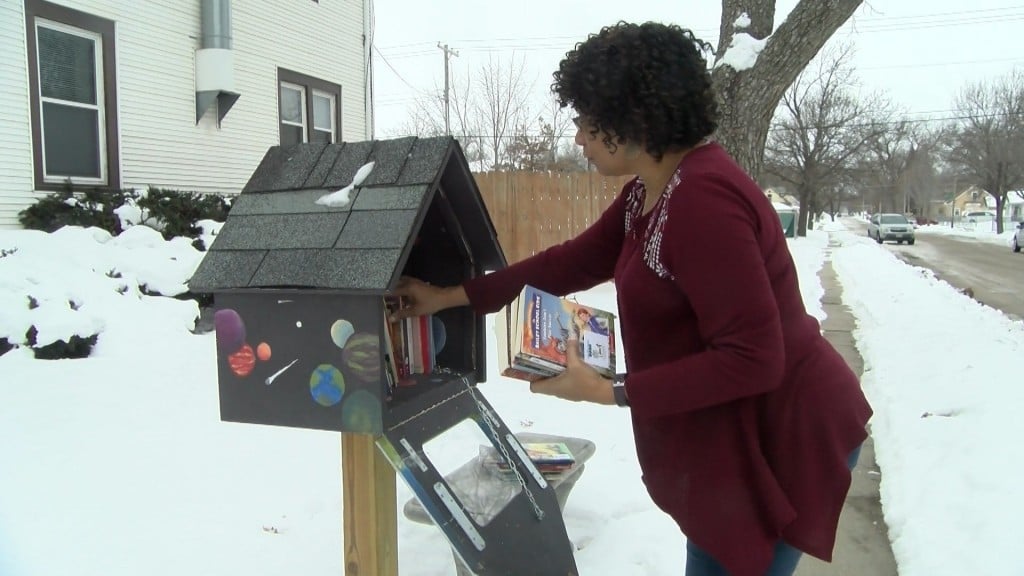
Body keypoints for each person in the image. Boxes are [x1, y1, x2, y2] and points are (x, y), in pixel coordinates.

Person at [391, 21, 873, 576]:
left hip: (779, 432)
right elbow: (571, 261)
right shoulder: (650, 192)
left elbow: (753, 358)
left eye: (585, 122)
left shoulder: (703, 201)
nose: (578, 139)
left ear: (632, 118)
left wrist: (608, 391)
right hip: (728, 432)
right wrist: (451, 295)